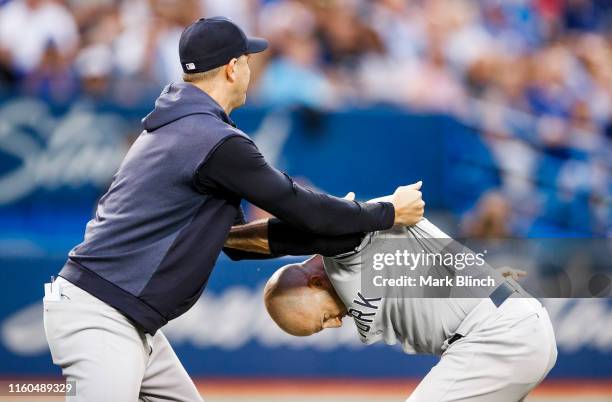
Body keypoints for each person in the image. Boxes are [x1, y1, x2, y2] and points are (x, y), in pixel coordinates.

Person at [43, 17, 425, 402]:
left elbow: (237, 243)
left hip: (125, 318)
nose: (251, 66)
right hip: (102, 316)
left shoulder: (179, 125)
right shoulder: (211, 139)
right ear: (232, 67)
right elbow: (299, 206)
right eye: (247, 58)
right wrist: (384, 212)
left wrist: (340, 232)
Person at [225, 200, 558, 402]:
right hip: (511, 328)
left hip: (497, 336)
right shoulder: (363, 260)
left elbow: (318, 226)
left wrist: (230, 239)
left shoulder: (347, 253)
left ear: (314, 282)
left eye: (321, 322)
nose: (335, 324)